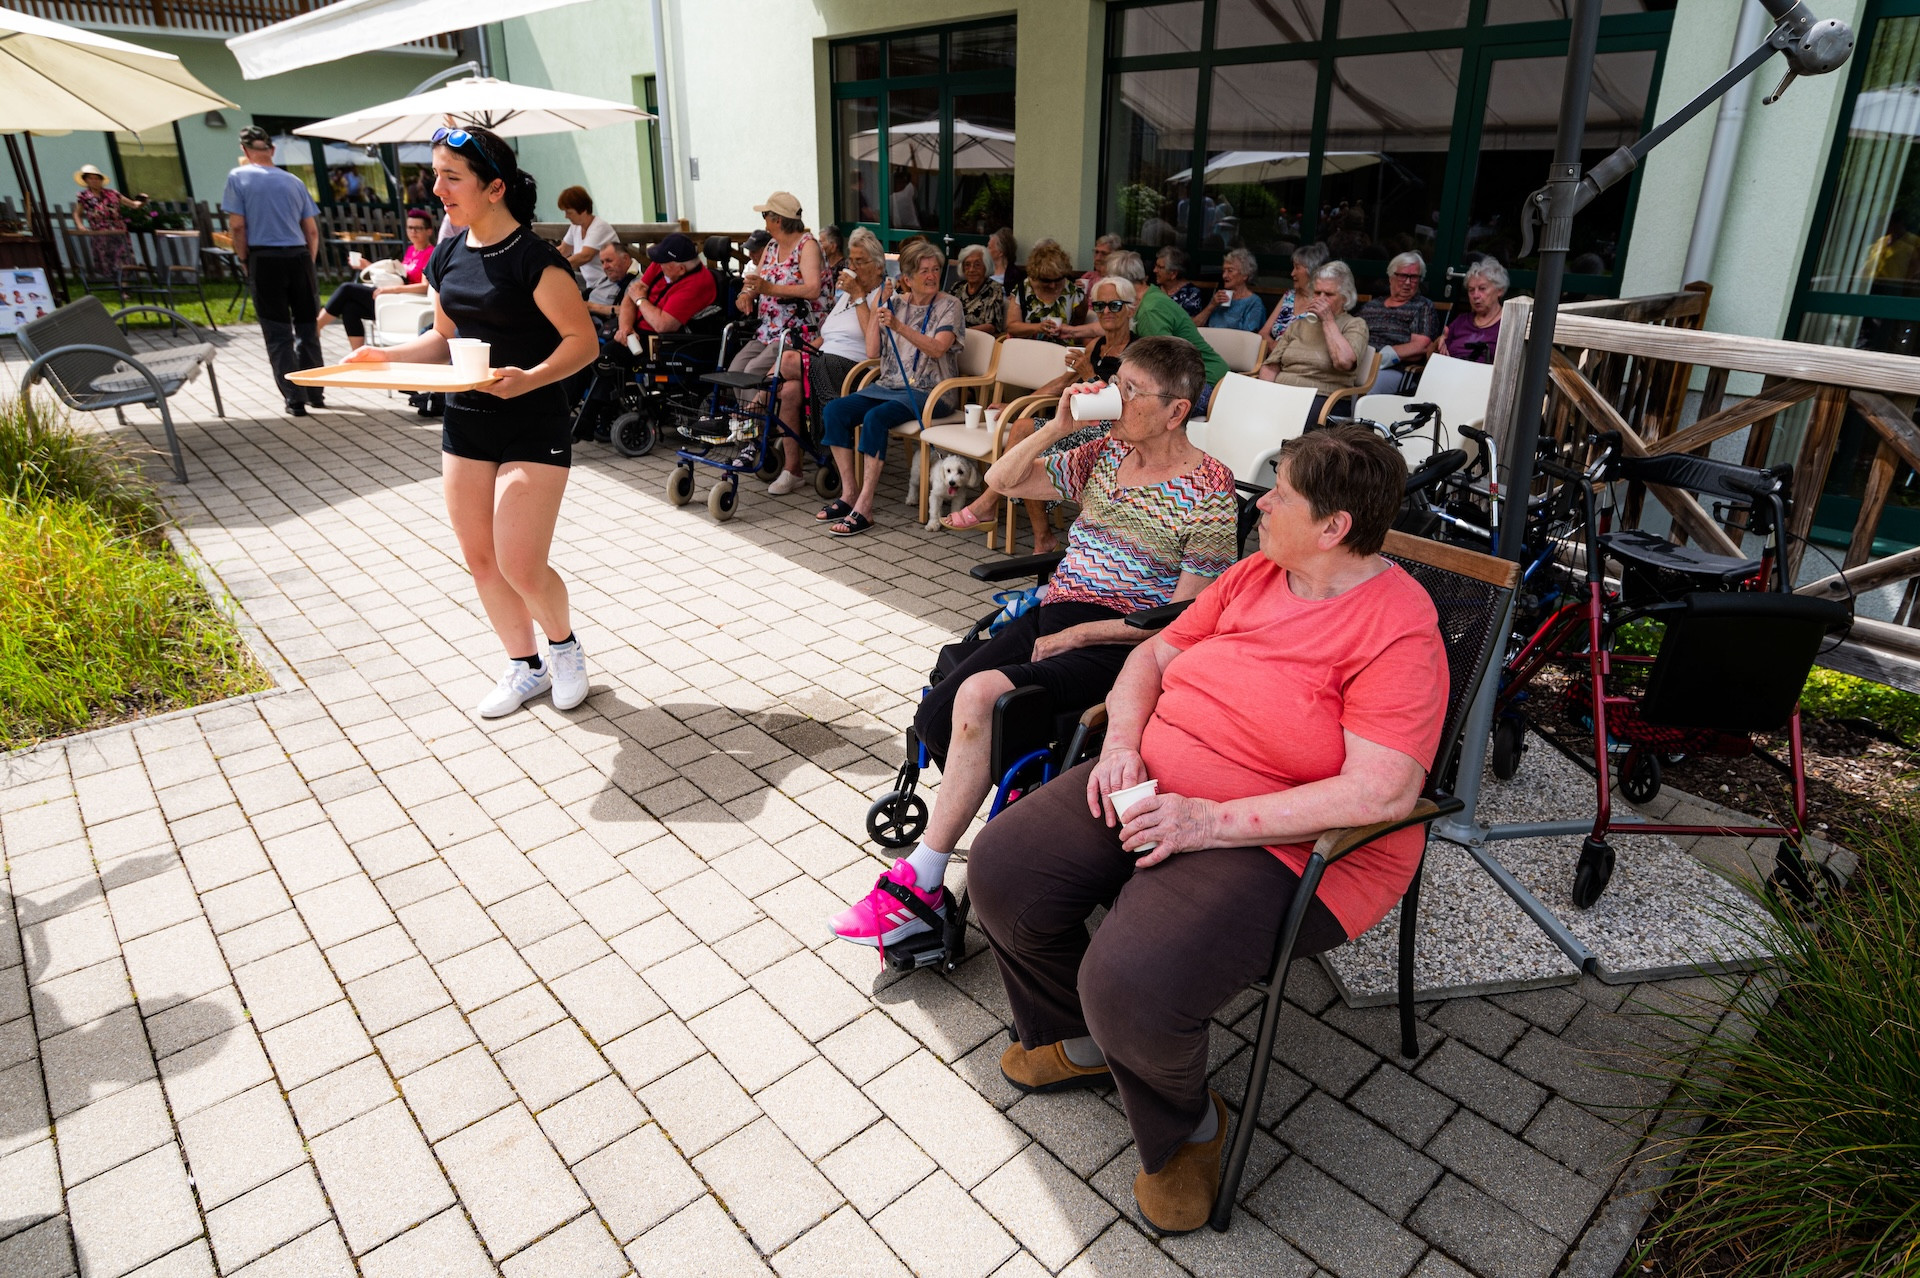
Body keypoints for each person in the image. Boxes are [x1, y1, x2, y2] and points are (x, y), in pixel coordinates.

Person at [967, 425, 1444, 1234]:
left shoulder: (1397, 628)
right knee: (1005, 869)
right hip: (1155, 782)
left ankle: (1188, 1126)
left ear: (1333, 527)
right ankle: (1080, 1039)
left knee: (1132, 982)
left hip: (1287, 841)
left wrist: (1209, 820)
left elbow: (1383, 789)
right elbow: (1152, 658)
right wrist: (1119, 746)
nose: (1260, 502)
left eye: (1282, 491)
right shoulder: (1259, 572)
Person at [829, 337, 1239, 965]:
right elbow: (1001, 480)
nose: (1115, 395)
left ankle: (922, 883)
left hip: (1123, 641)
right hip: (1057, 608)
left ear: (1176, 410)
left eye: (1129, 389)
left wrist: (1084, 634)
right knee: (938, 713)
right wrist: (1057, 425)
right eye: (1116, 381)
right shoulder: (1104, 452)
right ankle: (1005, 807)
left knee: (981, 694)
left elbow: (1186, 619)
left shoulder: (1209, 489)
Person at [342, 125, 598, 719]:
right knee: (481, 558)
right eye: (436, 174)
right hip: (466, 423)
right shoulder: (448, 253)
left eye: (451, 177)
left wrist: (531, 377)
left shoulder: (536, 259)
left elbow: (583, 342)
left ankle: (564, 650)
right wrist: (386, 356)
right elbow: (443, 336)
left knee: (519, 561)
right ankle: (524, 666)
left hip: (533, 420)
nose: (438, 188)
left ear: (495, 188)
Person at [942, 276, 1143, 553]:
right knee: (1024, 427)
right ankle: (1033, 532)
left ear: (1130, 309)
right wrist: (1019, 402)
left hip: (1110, 433)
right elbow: (1062, 383)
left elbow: (1124, 404)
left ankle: (1004, 514)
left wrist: (1089, 374)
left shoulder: (1137, 353)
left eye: (1115, 305)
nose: (1106, 311)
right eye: (1100, 305)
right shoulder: (1096, 344)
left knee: (1034, 451)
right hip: (1076, 424)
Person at [816, 239, 961, 536]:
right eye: (924, 271)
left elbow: (937, 348)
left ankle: (865, 508)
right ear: (907, 278)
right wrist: (878, 303)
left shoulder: (950, 305)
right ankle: (849, 494)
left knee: (875, 418)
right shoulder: (894, 304)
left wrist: (898, 326)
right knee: (835, 411)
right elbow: (872, 351)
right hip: (888, 385)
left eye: (935, 269)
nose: (932, 276)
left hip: (932, 392)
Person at [222, 125, 324, 417]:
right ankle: (316, 392)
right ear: (272, 150)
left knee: (278, 332)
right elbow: (312, 232)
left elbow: (238, 226)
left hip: (264, 259)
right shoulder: (293, 181)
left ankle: (294, 399)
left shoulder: (237, 177)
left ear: (244, 151)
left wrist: (243, 259)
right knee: (307, 327)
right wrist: (308, 262)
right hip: (299, 257)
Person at [733, 191, 831, 489]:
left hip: (799, 331)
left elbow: (813, 289)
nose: (764, 221)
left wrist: (770, 289)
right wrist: (746, 295)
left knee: (752, 374)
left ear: (778, 219)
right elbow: (756, 282)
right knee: (736, 368)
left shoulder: (807, 246)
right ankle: (755, 431)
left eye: (766, 216)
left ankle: (754, 437)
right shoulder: (773, 245)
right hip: (768, 328)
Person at [774, 226, 886, 456]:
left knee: (796, 363)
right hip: (826, 359)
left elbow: (874, 343)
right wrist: (803, 352)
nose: (852, 268)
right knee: (788, 387)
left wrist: (858, 297)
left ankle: (824, 442)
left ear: (878, 266)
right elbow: (827, 334)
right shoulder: (847, 294)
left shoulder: (882, 295)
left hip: (857, 368)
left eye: (860, 262)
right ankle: (793, 465)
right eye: (851, 261)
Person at [1105, 252, 1228, 405]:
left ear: (1120, 283)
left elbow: (1163, 362)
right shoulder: (1150, 295)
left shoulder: (1149, 311)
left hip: (1204, 382)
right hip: (1189, 379)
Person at [1259, 261, 1369, 422]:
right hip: (1283, 394)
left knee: (1285, 420)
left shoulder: (1355, 324)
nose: (1320, 299)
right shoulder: (1298, 325)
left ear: (1345, 298)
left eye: (1329, 295)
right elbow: (1270, 366)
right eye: (1317, 293)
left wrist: (1328, 321)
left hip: (1323, 399)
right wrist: (1262, 396)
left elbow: (1344, 362)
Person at [316, 208, 435, 350]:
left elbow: (424, 286)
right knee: (349, 308)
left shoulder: (430, 253)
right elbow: (401, 277)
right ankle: (359, 355)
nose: (413, 232)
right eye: (410, 227)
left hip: (406, 303)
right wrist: (368, 266)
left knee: (347, 289)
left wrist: (390, 289)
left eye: (418, 228)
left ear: (429, 231)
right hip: (393, 299)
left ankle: (316, 327)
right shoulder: (411, 251)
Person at [1354, 251, 1441, 392]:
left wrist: (1381, 357)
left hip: (1393, 369)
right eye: (1403, 276)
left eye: (1413, 277)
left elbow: (1421, 346)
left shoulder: (1422, 306)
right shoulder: (1372, 306)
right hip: (1361, 363)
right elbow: (1354, 334)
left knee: (1368, 387)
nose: (1407, 282)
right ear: (1391, 277)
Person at [72, 164, 145, 281]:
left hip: (118, 231)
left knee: (122, 257)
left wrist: (142, 200)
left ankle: (124, 287)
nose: (94, 181)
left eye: (96, 178)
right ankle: (116, 283)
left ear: (101, 180)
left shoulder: (113, 194)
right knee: (107, 259)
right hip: (100, 233)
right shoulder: (84, 196)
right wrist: (80, 226)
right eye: (90, 178)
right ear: (86, 181)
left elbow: (133, 205)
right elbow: (77, 213)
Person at [1258, 241, 1330, 358]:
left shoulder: (1322, 304)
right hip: (1273, 359)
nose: (1292, 273)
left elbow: (1318, 345)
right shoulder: (1289, 296)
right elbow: (1263, 333)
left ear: (1311, 271)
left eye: (1297, 268)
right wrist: (1273, 347)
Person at [1007, 241, 1085, 344]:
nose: (1052, 285)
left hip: (1060, 351)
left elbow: (1080, 319)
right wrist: (1038, 327)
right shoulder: (1023, 289)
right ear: (1036, 276)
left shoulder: (1073, 291)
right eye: (1046, 281)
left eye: (1058, 280)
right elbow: (1012, 326)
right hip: (1028, 349)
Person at [1436, 257, 1507, 366]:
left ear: (1499, 290)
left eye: (1482, 288)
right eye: (1471, 290)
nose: (1476, 296)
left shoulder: (1507, 324)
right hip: (1450, 374)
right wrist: (1438, 343)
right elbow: (1430, 357)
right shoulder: (1461, 321)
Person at [557, 186, 618, 295]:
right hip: (592, 287)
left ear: (583, 210)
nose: (566, 216)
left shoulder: (599, 227)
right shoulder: (575, 227)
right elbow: (563, 250)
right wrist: (544, 259)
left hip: (609, 285)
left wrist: (557, 266)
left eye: (569, 212)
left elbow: (585, 256)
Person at [1196, 247, 1264, 331]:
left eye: (1230, 271)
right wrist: (1212, 305)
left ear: (1245, 275)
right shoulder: (1219, 297)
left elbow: (1248, 337)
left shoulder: (1254, 303)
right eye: (1224, 271)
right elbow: (1194, 327)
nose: (1224, 275)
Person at [948, 243, 1006, 335]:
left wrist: (962, 332)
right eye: (967, 265)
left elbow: (991, 326)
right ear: (962, 268)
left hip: (980, 341)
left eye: (977, 265)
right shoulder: (957, 287)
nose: (971, 269)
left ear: (986, 267)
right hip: (954, 338)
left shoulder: (994, 289)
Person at [1152, 247, 1205, 317]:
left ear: (1173, 274)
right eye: (1156, 266)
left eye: (1160, 267)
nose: (1155, 270)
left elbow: (1188, 324)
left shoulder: (1191, 294)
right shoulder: (1154, 289)